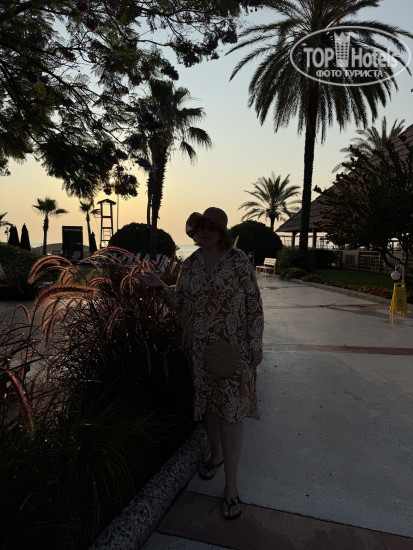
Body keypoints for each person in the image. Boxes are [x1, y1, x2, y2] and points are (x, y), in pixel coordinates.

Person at [135, 207, 264, 520]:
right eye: (201, 227)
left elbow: (254, 304)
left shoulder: (238, 261)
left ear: (222, 232)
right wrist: (159, 287)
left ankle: (231, 487)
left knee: (231, 413)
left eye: (212, 228)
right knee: (208, 406)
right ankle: (215, 454)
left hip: (232, 349)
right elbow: (182, 304)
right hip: (199, 350)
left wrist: (256, 343)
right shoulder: (190, 264)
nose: (205, 232)